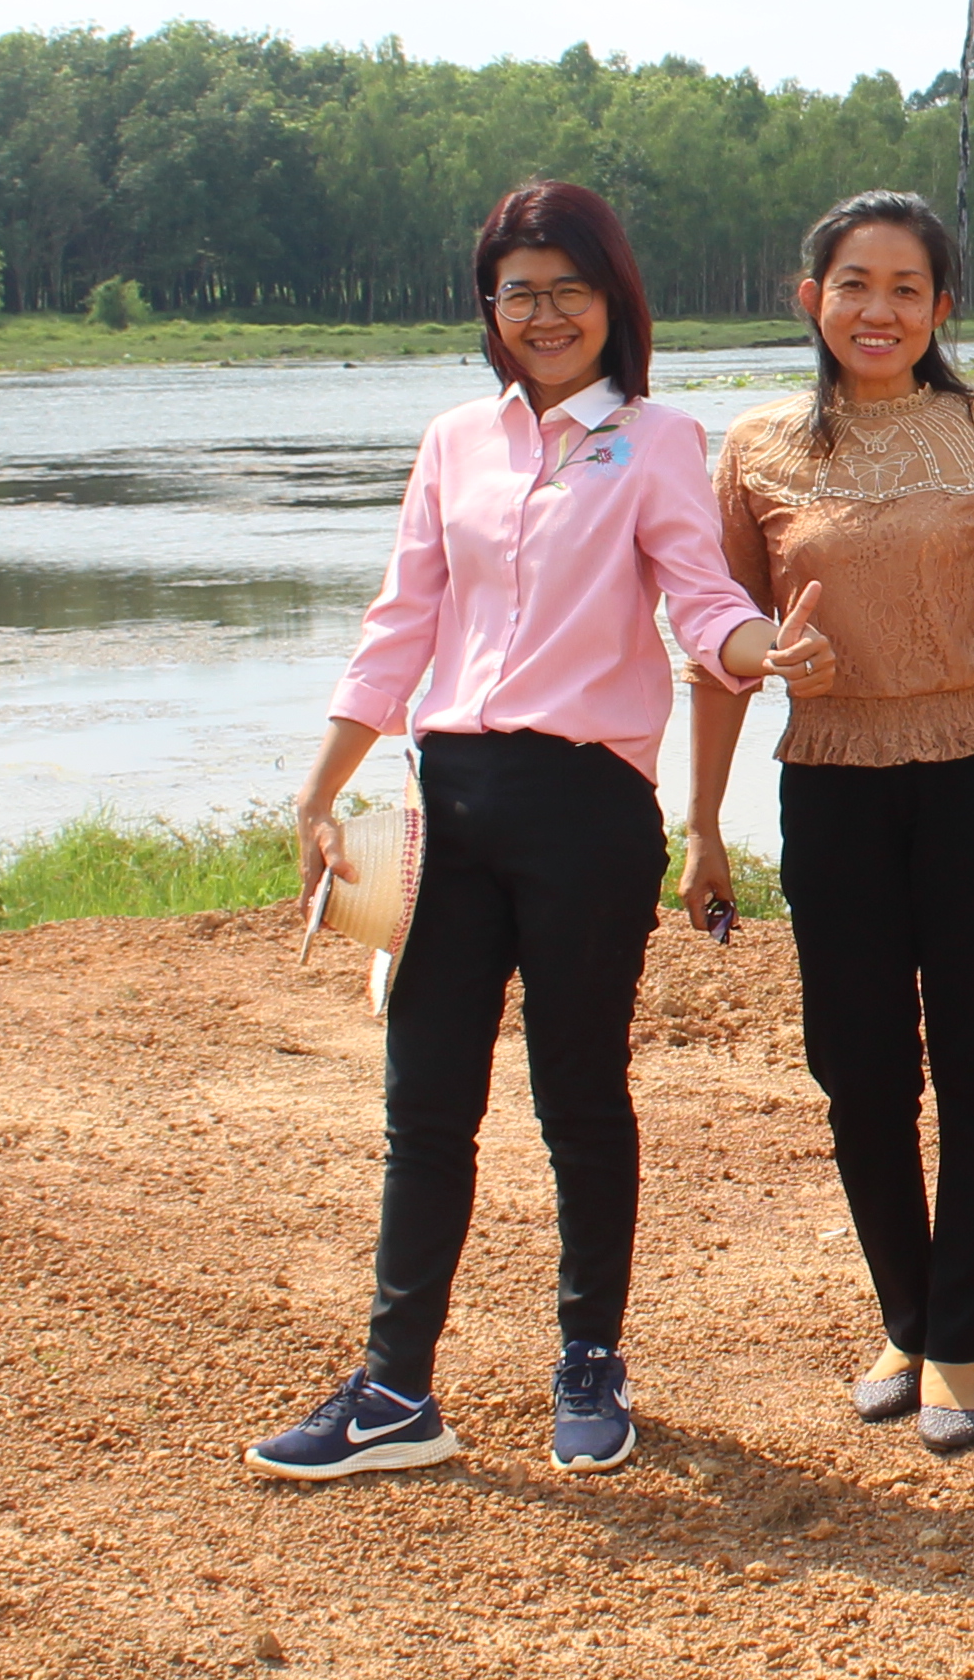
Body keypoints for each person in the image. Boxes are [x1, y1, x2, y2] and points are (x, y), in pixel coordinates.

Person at [252, 181, 828, 1480]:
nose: (546, 312)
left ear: (613, 301)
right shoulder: (456, 441)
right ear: (491, 309)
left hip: (586, 815)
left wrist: (764, 646)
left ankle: (591, 1365)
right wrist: (322, 782)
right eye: (521, 291)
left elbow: (700, 597)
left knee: (578, 1093)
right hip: (446, 802)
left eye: (571, 288)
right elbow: (401, 623)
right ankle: (396, 1391)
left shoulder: (656, 440)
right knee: (426, 1102)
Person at [687, 192, 974, 1457]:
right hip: (831, 784)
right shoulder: (755, 450)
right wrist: (703, 820)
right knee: (860, 1073)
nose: (880, 310)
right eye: (855, 284)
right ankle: (902, 1315)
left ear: (942, 310)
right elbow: (719, 647)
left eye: (907, 289)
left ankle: (960, 1347)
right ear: (809, 297)